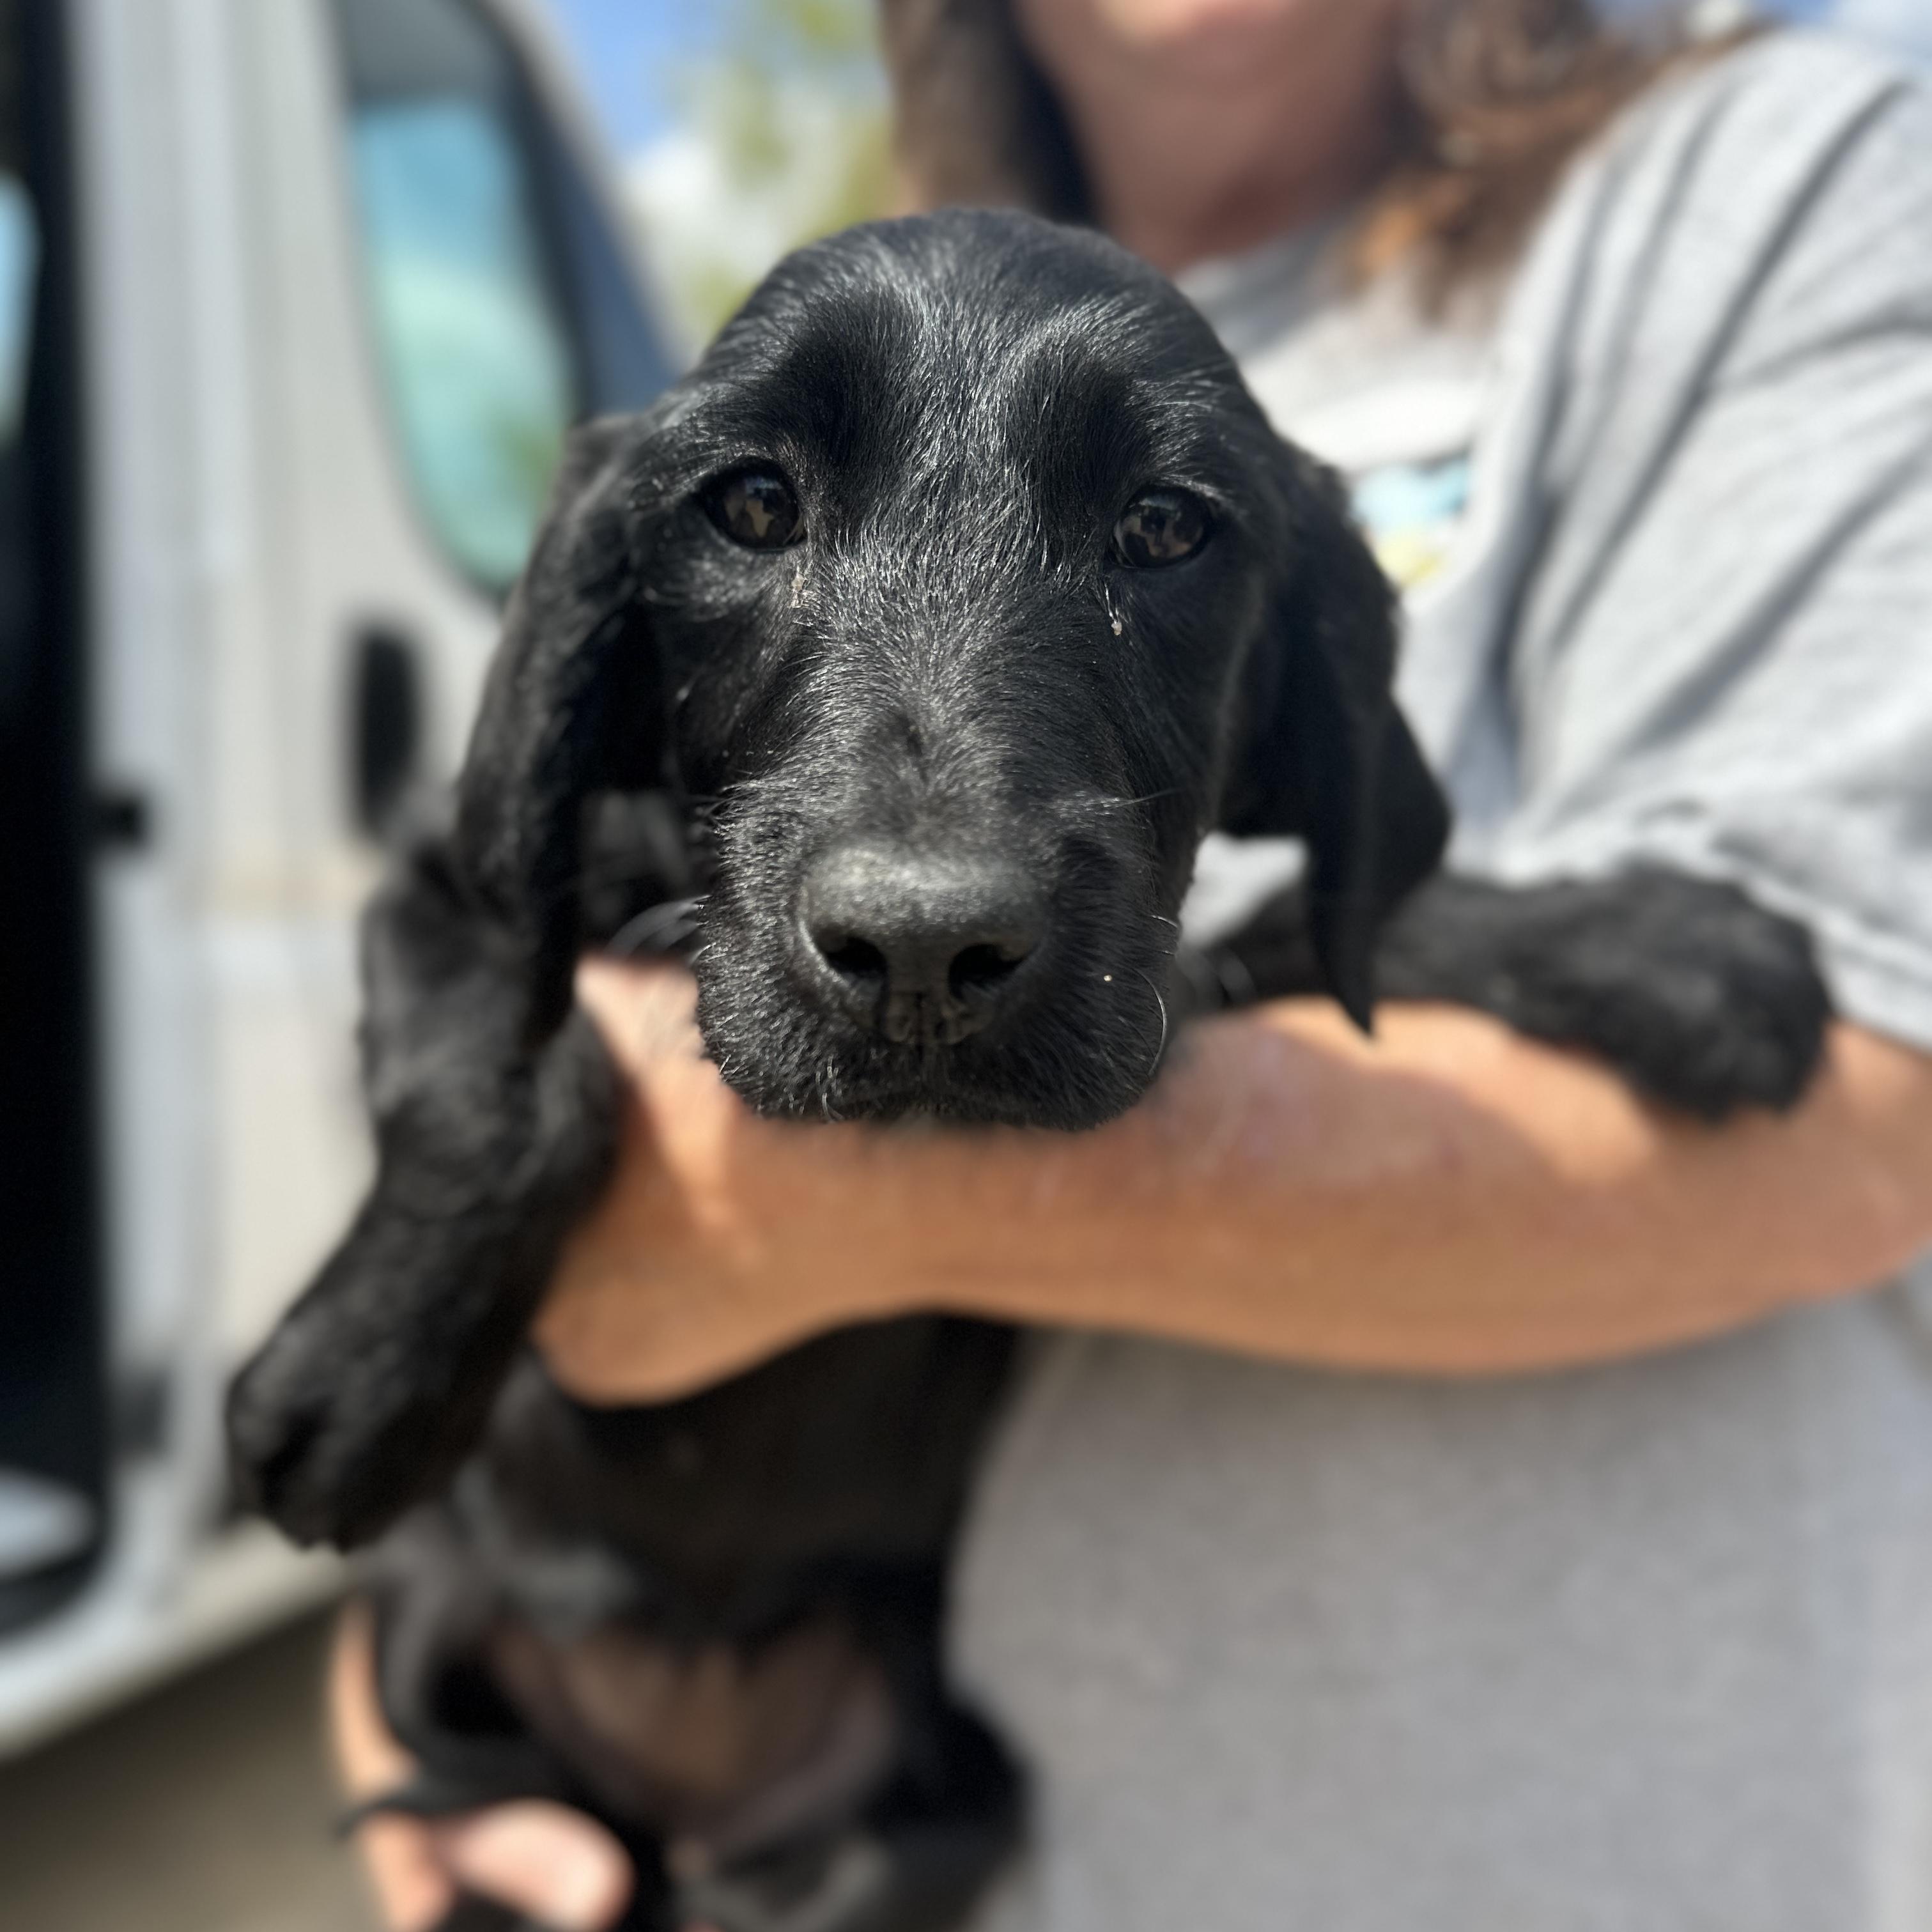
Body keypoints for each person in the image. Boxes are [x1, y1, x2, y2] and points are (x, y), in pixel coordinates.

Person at [337, 3, 1932, 1927]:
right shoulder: (868, 298)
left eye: (1164, 529)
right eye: (759, 512)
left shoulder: (1768, 186)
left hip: (1573, 1852)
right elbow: (472, 958)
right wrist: (422, 1650)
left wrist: (786, 1210)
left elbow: (1883, 1094)